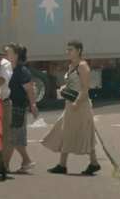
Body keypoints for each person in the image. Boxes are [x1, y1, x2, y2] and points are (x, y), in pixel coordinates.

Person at [42, 40, 101, 176]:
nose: (68, 52)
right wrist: (64, 89)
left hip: (80, 106)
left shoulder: (83, 66)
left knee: (84, 132)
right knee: (66, 131)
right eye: (67, 50)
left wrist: (76, 103)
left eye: (71, 50)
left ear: (79, 50)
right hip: (71, 105)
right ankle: (68, 164)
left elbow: (85, 89)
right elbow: (73, 84)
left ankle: (91, 163)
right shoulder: (71, 65)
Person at [5, 43, 39, 174]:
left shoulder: (21, 71)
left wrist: (33, 105)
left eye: (8, 52)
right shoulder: (6, 69)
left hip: (18, 107)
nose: (6, 55)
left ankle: (7, 165)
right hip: (9, 106)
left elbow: (29, 89)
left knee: (13, 137)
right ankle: (25, 161)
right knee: (14, 137)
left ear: (16, 55)